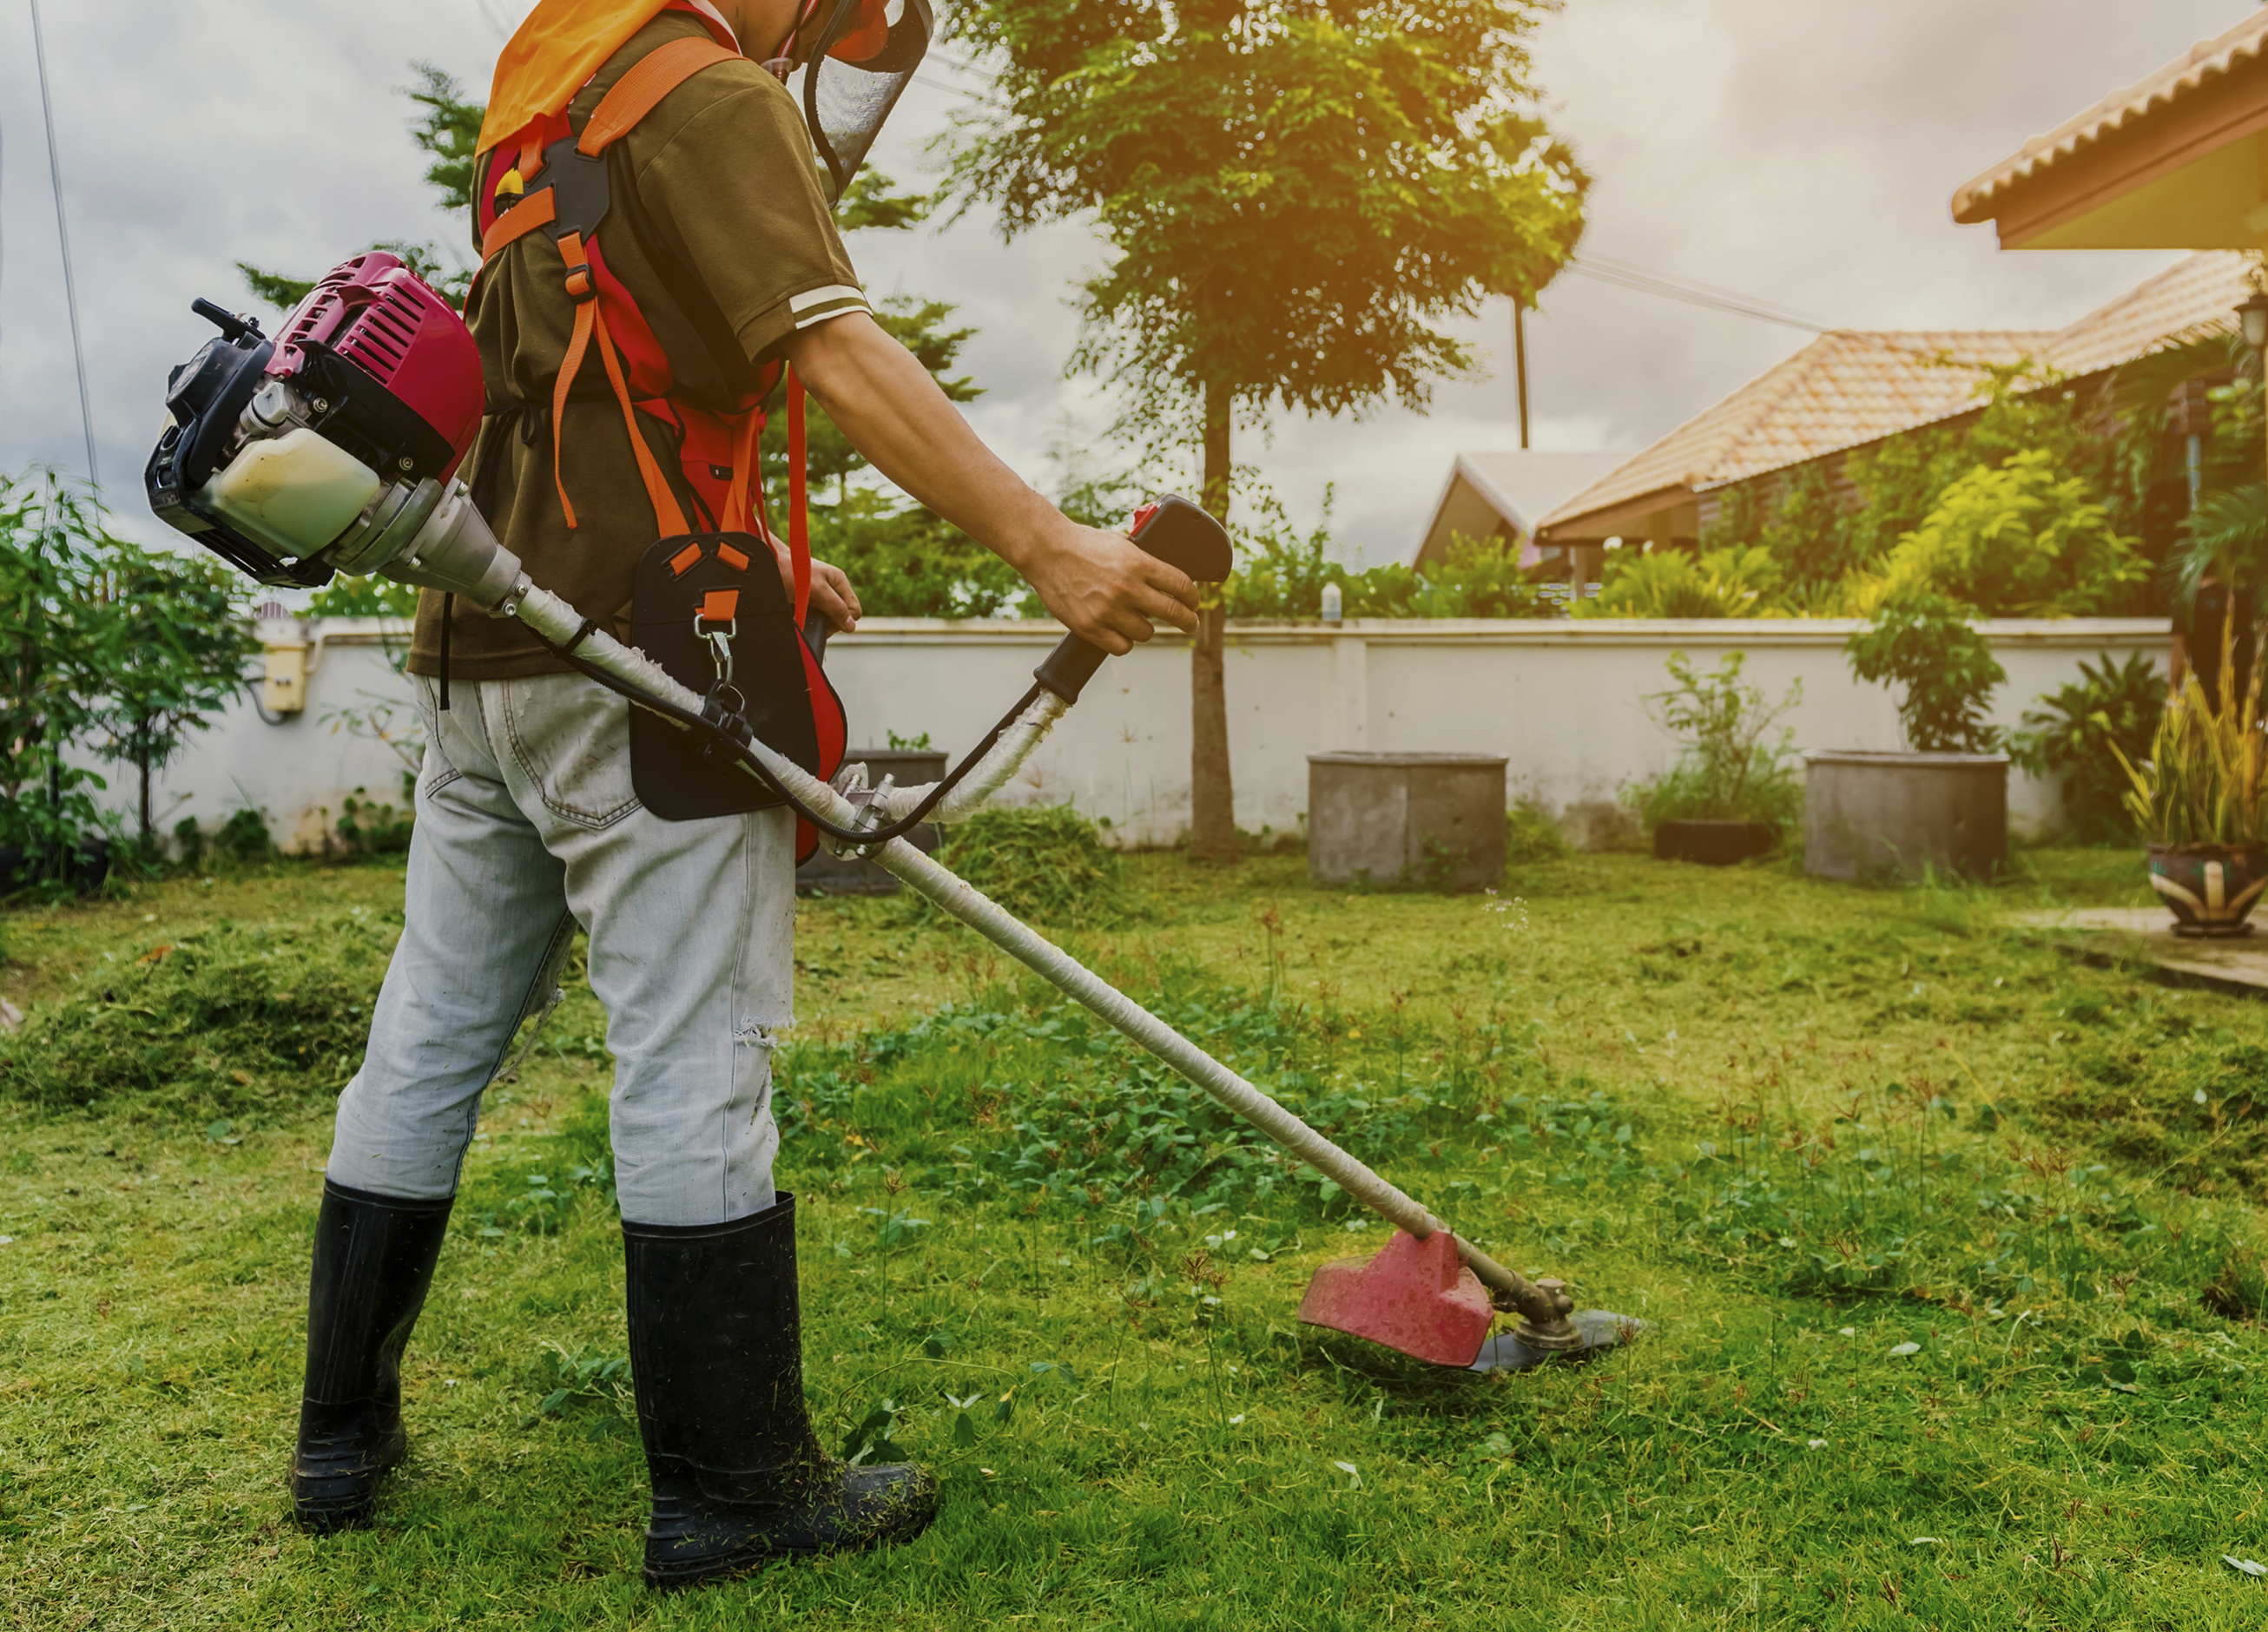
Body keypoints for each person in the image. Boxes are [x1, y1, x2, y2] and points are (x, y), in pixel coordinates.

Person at [287, 0, 1200, 1592]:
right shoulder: (704, 92)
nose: (825, 31)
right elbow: (831, 348)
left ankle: (337, 1445)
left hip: (479, 639)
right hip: (632, 662)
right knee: (695, 1050)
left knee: (426, 1040)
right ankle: (731, 1493)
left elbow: (579, 388)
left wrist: (759, 551)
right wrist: (1051, 546)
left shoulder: (548, 95)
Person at [2169, 569, 2257, 713]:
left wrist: (2172, 692)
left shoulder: (2186, 602)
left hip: (2205, 686)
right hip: (2243, 685)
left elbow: (2179, 653)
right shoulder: (2241, 595)